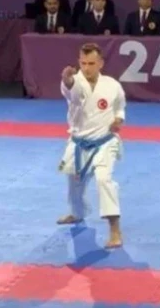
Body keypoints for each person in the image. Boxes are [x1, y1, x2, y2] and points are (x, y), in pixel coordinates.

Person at [57, 43, 126, 249]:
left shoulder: (112, 85)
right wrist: (66, 80)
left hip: (104, 142)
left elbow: (120, 106)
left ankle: (115, 230)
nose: (86, 68)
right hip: (78, 142)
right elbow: (72, 92)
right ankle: (77, 213)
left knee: (104, 180)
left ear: (101, 63)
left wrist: (119, 119)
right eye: (83, 63)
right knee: (73, 182)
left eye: (91, 63)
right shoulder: (76, 82)